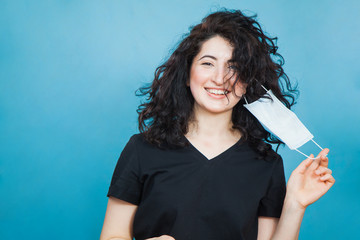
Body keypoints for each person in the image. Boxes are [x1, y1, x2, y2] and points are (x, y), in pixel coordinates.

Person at [100, 9, 335, 240]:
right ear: (186, 72)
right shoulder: (143, 149)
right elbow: (112, 235)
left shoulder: (267, 164)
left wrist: (295, 204)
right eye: (208, 63)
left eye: (234, 67)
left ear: (248, 81)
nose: (220, 78)